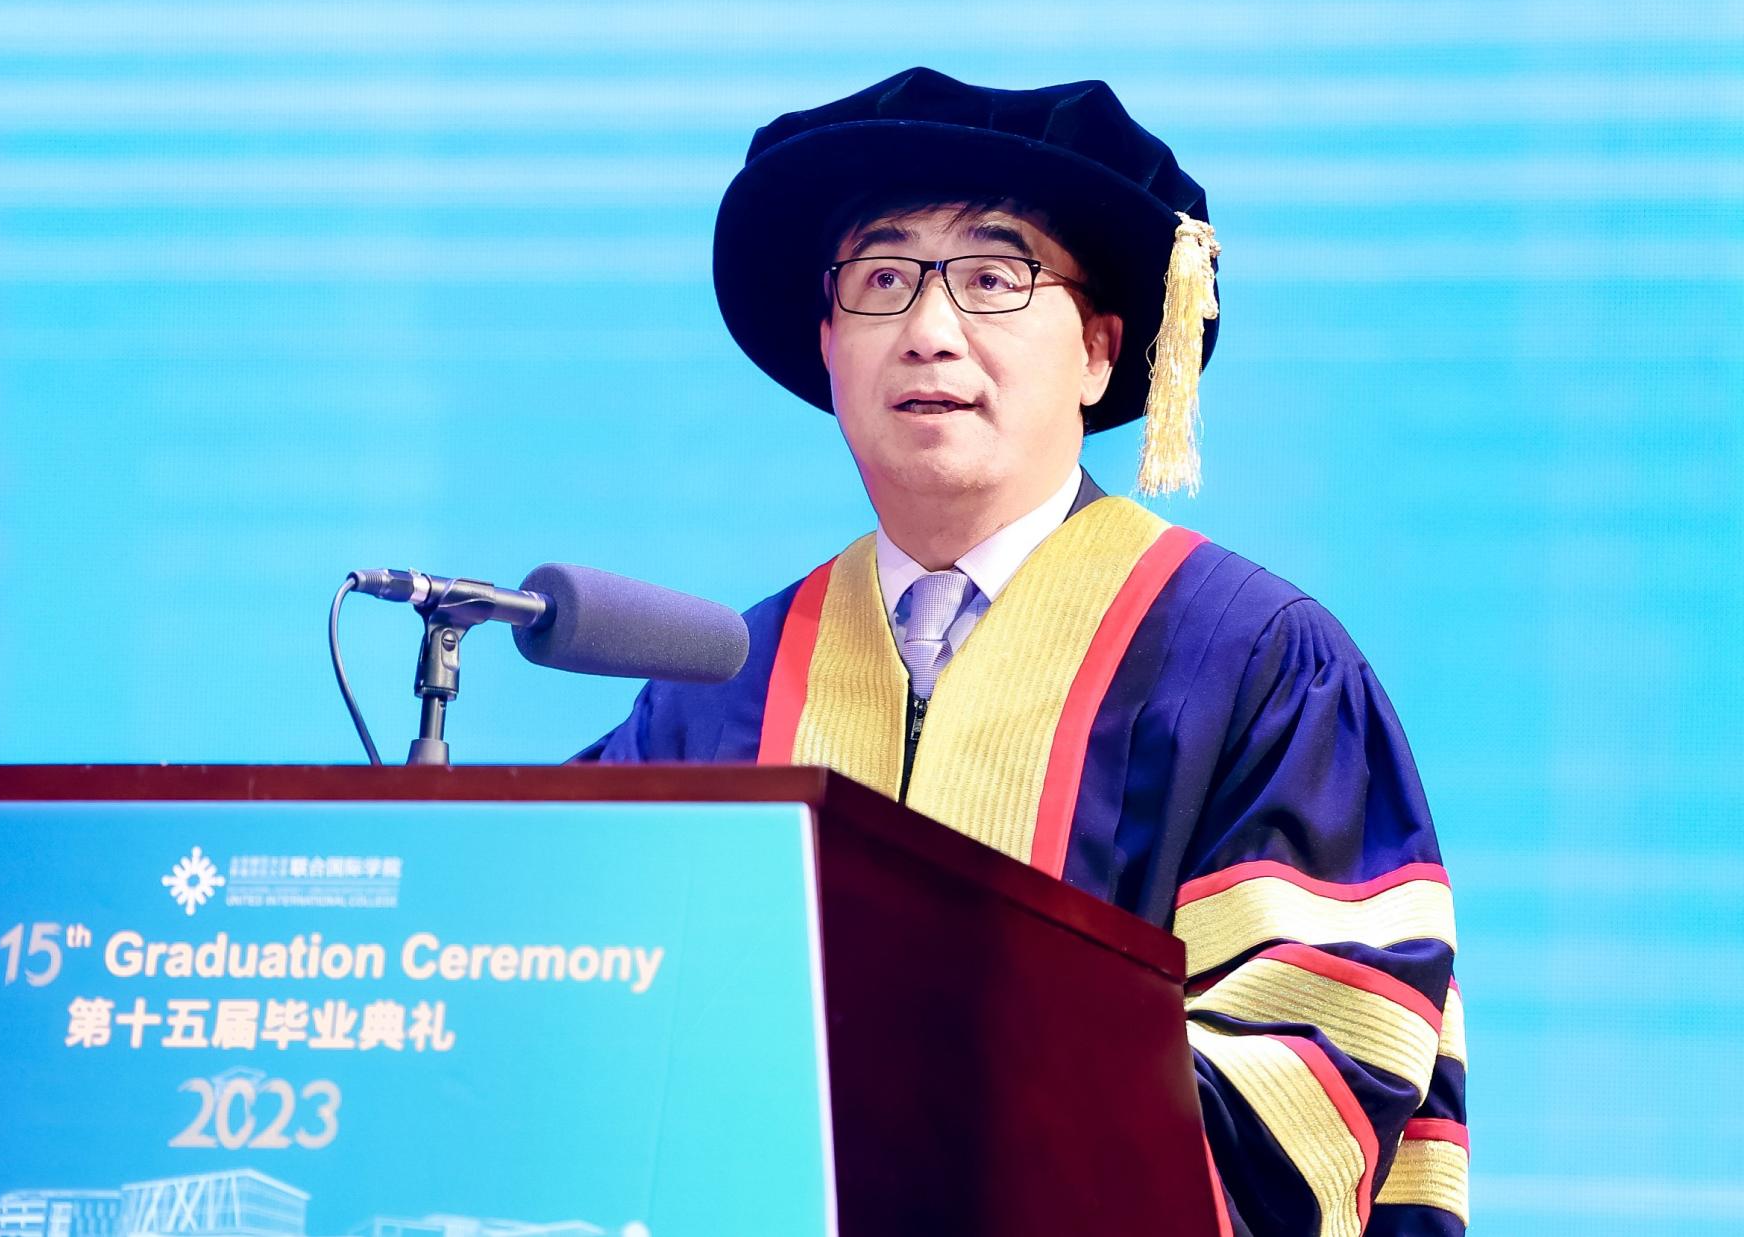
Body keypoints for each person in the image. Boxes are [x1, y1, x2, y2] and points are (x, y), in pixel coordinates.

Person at [582, 68, 1466, 1237]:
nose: (928, 332)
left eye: (994, 279)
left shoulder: (1249, 664)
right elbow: (582, 1022)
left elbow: (1310, 1077)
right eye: (881, 280)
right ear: (827, 345)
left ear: (1099, 351)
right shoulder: (714, 687)